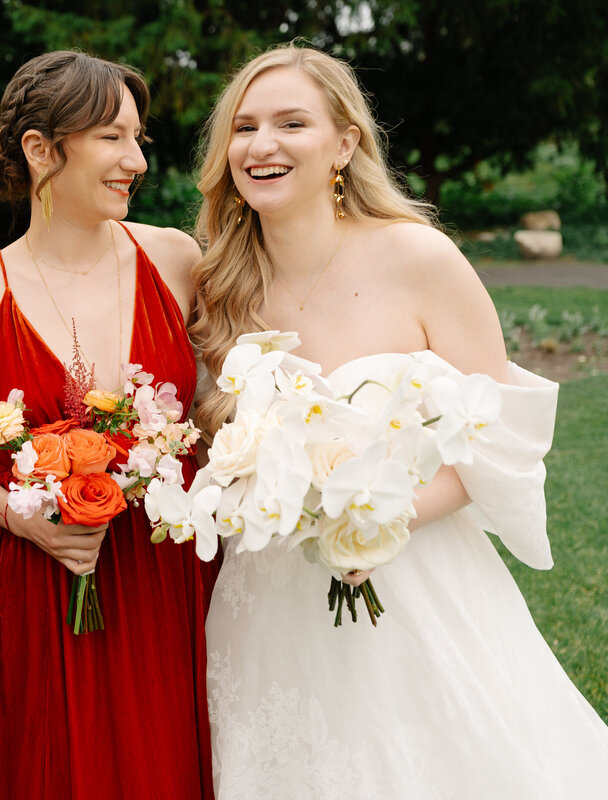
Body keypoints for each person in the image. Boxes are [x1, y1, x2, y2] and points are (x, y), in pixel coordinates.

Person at [189, 43, 608, 799]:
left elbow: (498, 436)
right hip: (266, 608)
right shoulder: (219, 282)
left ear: (345, 142)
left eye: (292, 123)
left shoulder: (419, 258)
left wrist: (375, 522)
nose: (262, 145)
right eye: (245, 128)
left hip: (412, 582)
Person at [0, 51, 215, 798]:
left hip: (169, 574)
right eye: (113, 139)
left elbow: (221, 407)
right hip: (41, 581)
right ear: (39, 150)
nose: (137, 161)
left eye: (139, 138)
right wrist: (30, 523)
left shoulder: (176, 258)